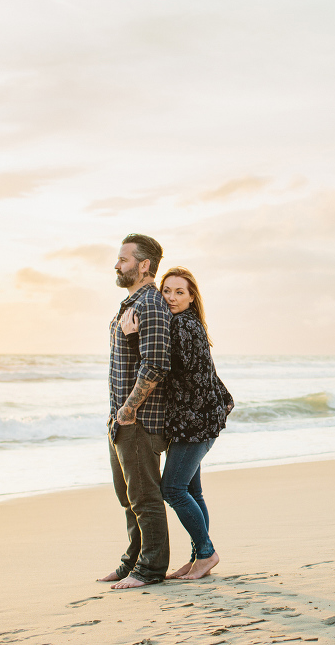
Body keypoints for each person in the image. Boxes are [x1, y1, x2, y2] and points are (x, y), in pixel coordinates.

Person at [121, 266, 233, 580]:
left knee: (172, 489)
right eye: (166, 291)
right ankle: (200, 557)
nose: (171, 297)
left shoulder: (182, 325)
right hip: (201, 418)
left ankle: (207, 553)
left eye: (179, 292)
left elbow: (163, 367)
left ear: (192, 296)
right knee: (192, 492)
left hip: (194, 423)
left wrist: (133, 339)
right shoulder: (189, 323)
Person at [98, 234, 173, 589]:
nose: (116, 265)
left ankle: (152, 568)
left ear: (144, 266)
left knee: (144, 497)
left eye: (123, 259)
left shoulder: (151, 305)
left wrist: (128, 410)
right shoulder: (132, 302)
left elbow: (156, 363)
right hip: (122, 418)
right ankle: (133, 561)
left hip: (140, 420)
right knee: (127, 496)